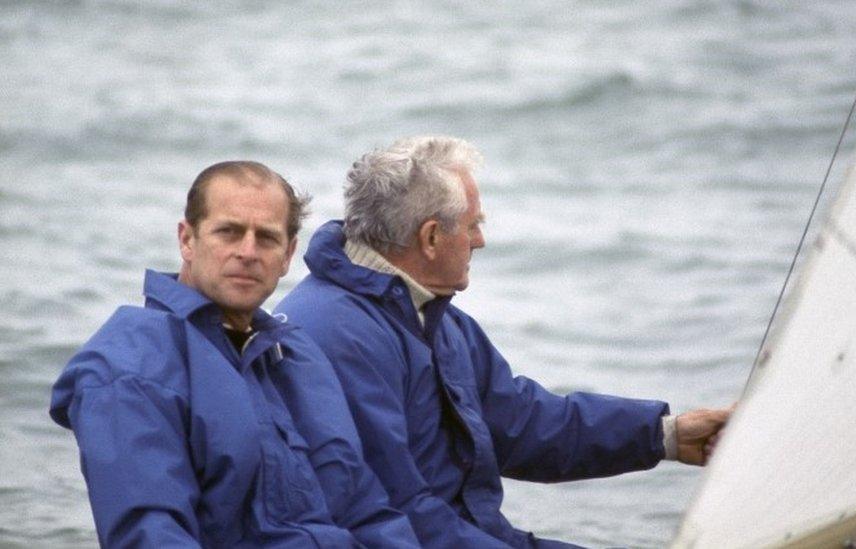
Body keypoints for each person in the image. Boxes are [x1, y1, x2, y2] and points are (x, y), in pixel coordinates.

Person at [274, 136, 733, 548]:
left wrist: (665, 436)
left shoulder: (435, 317)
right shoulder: (334, 334)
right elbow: (394, 511)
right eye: (473, 224)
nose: (481, 240)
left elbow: (521, 424)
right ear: (430, 237)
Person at [50, 161, 420, 547]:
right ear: (187, 240)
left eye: (266, 238)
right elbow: (150, 534)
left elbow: (367, 509)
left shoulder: (298, 358)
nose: (247, 251)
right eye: (228, 232)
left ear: (288, 253)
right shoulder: (130, 367)